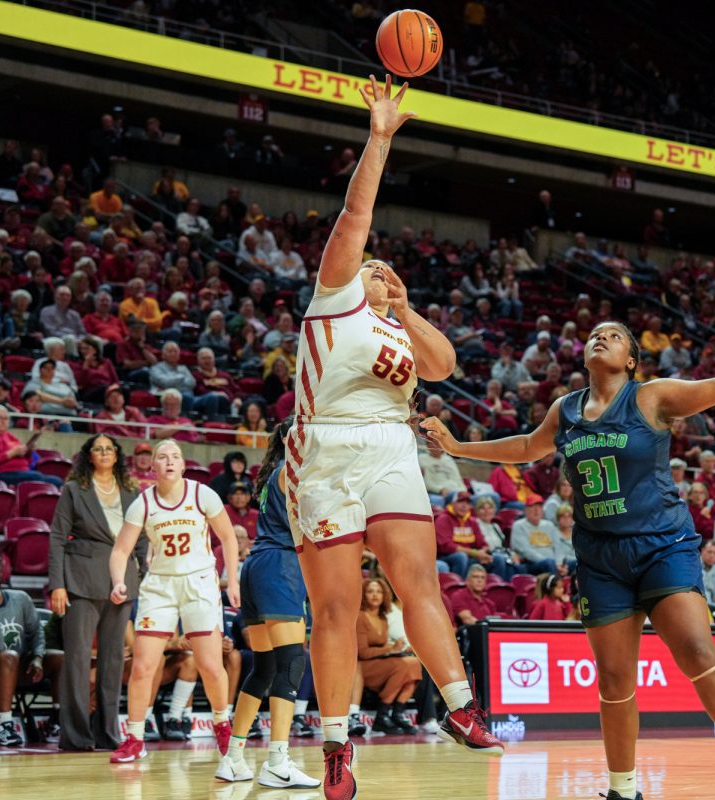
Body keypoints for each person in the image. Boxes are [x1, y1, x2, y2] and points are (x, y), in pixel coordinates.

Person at [422, 281, 715, 800]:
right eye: (595, 335)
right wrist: (456, 446)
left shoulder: (651, 396)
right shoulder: (565, 409)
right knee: (613, 680)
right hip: (601, 558)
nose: (600, 338)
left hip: (661, 545)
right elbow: (524, 447)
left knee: (697, 650)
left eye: (613, 335)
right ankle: (623, 790)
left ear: (632, 360)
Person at [283, 74, 502, 800]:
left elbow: (443, 367)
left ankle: (462, 707)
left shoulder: (394, 325)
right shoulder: (333, 300)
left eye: (386, 270)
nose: (378, 270)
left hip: (388, 446)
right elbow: (354, 218)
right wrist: (379, 137)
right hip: (323, 448)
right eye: (374, 267)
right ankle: (338, 747)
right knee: (338, 609)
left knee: (417, 580)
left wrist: (406, 310)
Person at [107, 439, 241, 763]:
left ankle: (222, 721)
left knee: (210, 664)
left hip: (199, 584)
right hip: (160, 587)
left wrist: (233, 579)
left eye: (175, 457)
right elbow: (121, 550)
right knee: (142, 665)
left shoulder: (202, 494)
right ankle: (135, 738)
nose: (169, 461)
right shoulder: (142, 503)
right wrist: (118, 581)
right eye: (162, 457)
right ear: (153, 466)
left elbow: (228, 537)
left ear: (183, 465)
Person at [216, 420, 320, 787]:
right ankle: (278, 760)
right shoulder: (292, 472)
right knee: (292, 661)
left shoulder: (275, 472)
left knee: (265, 668)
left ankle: (233, 758)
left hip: (256, 567)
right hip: (279, 565)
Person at [48, 434, 145, 752]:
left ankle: (107, 733)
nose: (104, 452)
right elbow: (57, 538)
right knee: (76, 659)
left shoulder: (133, 491)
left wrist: (142, 575)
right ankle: (75, 736)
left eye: (109, 449)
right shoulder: (74, 490)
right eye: (98, 449)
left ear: (117, 455)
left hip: (122, 582)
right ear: (88, 456)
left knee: (114, 660)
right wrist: (57, 584)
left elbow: (142, 538)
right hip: (80, 580)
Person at [0, 564, 51, 747]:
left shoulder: (20, 598)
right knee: (9, 655)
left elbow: (37, 631)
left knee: (59, 658)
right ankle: (5, 725)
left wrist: (38, 657)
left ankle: (56, 721)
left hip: (23, 665)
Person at [357, 578, 422, 734]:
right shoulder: (360, 617)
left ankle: (397, 713)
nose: (375, 595)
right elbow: (362, 653)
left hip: (381, 661)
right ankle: (382, 715)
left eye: (379, 591)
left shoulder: (383, 618)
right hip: (362, 667)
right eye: (370, 591)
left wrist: (397, 649)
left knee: (414, 663)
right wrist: (390, 650)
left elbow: (385, 648)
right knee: (401, 666)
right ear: (363, 595)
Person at [0, 404, 63, 488]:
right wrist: (11, 453)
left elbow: (28, 461)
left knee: (56, 479)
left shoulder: (9, 436)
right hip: (4, 473)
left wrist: (28, 451)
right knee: (46, 479)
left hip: (23, 471)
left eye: (6, 418)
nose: (3, 421)